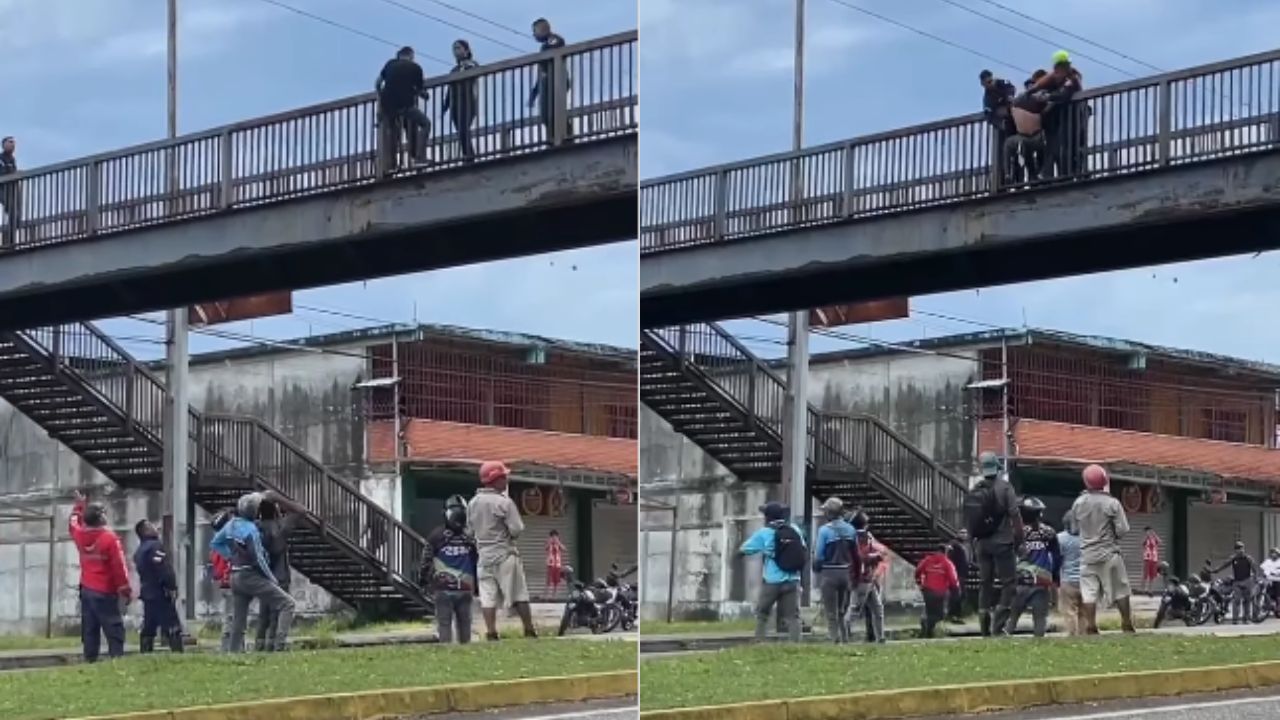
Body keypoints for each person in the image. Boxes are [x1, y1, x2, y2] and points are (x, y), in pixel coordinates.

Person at [210, 492, 295, 653]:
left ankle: (233, 653)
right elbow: (259, 559)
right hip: (249, 575)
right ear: (254, 511)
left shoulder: (231, 525)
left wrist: (231, 556)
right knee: (288, 604)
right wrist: (271, 578)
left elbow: (215, 543)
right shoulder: (251, 530)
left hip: (234, 575)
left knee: (238, 620)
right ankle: (279, 646)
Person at [469, 461, 538, 640]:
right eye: (504, 477)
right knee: (519, 594)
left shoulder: (473, 503)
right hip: (505, 555)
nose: (507, 480)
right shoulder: (504, 503)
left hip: (483, 557)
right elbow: (517, 529)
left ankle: (491, 632)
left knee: (487, 596)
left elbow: (469, 531)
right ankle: (529, 630)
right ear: (495, 479)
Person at [1071, 464, 1136, 634]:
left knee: (1089, 592)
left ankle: (1091, 626)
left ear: (1086, 482)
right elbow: (1123, 530)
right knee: (1121, 590)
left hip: (1087, 556)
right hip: (1109, 554)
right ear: (1104, 481)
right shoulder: (1112, 503)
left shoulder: (1078, 503)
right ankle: (1126, 623)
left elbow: (1074, 528)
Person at [965, 451, 1023, 636]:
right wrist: (1019, 540)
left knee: (985, 584)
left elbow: (971, 521)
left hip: (981, 544)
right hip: (1003, 543)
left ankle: (984, 628)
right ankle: (998, 627)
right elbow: (1015, 516)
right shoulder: (1005, 488)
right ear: (997, 468)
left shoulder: (975, 489)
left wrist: (971, 542)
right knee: (1009, 584)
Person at [69, 490, 132, 662]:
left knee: (90, 627)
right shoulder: (109, 539)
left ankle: (90, 658)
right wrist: (125, 590)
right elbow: (119, 567)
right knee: (113, 626)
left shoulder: (80, 536)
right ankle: (116, 658)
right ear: (101, 518)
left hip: (86, 589)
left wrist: (78, 506)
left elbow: (73, 523)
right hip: (105, 591)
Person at [740, 501, 806, 642]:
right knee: (793, 616)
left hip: (772, 581)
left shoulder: (764, 533)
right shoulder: (794, 529)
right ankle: (796, 644)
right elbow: (803, 549)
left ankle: (759, 641)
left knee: (762, 613)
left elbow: (745, 549)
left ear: (768, 517)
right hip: (793, 580)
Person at [419, 494, 478, 644]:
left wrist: (423, 581)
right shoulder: (470, 537)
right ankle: (466, 654)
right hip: (466, 588)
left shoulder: (436, 536)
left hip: (442, 588)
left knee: (444, 625)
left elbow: (425, 561)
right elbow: (477, 561)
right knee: (465, 625)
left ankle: (446, 653)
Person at [254, 491, 306, 652]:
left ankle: (260, 647)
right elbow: (301, 510)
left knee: (264, 616)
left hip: (263, 576)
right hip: (280, 576)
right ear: (276, 509)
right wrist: (277, 497)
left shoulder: (255, 528)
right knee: (279, 613)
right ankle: (276, 646)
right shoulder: (281, 527)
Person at [1030, 50, 1087, 179]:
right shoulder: (1057, 78)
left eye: (1060, 67)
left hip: (1075, 118)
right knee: (1062, 148)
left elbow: (1064, 95)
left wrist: (1047, 97)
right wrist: (1030, 93)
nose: (1057, 71)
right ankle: (1064, 175)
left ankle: (1073, 175)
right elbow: (1043, 83)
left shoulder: (1072, 79)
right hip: (1065, 120)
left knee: (1072, 147)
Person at [1007, 497, 1059, 637]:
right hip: (1041, 581)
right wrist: (1055, 576)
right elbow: (1056, 556)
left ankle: (1003, 639)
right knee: (1040, 619)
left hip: (1019, 580)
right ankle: (1039, 644)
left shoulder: (1014, 533)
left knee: (1012, 617)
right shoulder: (1049, 532)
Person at [133, 519, 184, 654]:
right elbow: (164, 569)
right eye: (151, 526)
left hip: (147, 592)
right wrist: (172, 586)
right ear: (145, 531)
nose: (155, 528)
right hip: (160, 591)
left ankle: (145, 651)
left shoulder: (139, 550)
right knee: (172, 624)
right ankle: (177, 652)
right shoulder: (155, 546)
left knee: (149, 624)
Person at [376, 46, 432, 168]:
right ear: (411, 56)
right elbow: (420, 90)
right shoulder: (415, 68)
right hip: (405, 105)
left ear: (399, 55)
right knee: (425, 124)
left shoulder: (390, 64)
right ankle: (419, 157)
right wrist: (425, 95)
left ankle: (391, 165)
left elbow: (378, 83)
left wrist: (381, 97)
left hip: (387, 105)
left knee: (392, 132)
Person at [813, 497, 857, 643]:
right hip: (846, 572)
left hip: (829, 573)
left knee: (831, 611)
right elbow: (856, 555)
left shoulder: (824, 531)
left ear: (829, 513)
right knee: (842, 610)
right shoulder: (851, 529)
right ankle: (845, 638)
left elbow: (819, 555)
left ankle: (834, 639)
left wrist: (816, 568)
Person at [846, 510, 888, 643]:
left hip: (869, 577)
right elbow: (861, 557)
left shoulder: (866, 537)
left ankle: (881, 637)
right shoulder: (857, 538)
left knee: (877, 609)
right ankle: (843, 635)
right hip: (862, 578)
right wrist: (874, 557)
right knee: (855, 610)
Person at [529, 18, 571, 143]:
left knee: (555, 113)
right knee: (547, 116)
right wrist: (534, 93)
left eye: (535, 31)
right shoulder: (545, 44)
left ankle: (564, 138)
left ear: (542, 29)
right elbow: (542, 73)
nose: (534, 35)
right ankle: (553, 139)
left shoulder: (554, 39)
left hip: (556, 82)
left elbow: (555, 49)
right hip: (546, 85)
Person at [443, 39, 480, 162]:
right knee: (460, 130)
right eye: (454, 49)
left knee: (464, 128)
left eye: (458, 48)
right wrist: (446, 105)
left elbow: (474, 75)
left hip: (468, 101)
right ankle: (467, 154)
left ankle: (470, 156)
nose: (456, 51)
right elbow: (450, 89)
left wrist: (465, 68)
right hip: (455, 104)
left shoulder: (472, 65)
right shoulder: (454, 70)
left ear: (466, 50)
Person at [1007, 542, 1055, 638]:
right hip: (1039, 589)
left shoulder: (1014, 568)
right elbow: (1049, 579)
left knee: (1012, 617)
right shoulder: (1039, 569)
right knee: (1039, 618)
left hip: (1018, 591)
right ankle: (1038, 637)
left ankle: (1007, 633)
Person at [915, 543, 960, 639]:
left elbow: (918, 571)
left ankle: (926, 627)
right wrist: (956, 589)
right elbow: (953, 579)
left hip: (927, 591)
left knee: (929, 610)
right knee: (940, 613)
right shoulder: (947, 563)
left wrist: (919, 583)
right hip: (941, 592)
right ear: (945, 552)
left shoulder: (927, 560)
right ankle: (930, 631)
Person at [980, 70, 1017, 183]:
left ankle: (1019, 179)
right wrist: (999, 124)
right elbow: (989, 116)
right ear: (983, 84)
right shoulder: (987, 99)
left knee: (1018, 150)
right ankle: (1003, 180)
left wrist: (1009, 97)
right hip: (1002, 127)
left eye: (991, 81)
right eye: (987, 83)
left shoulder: (1002, 83)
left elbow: (1011, 89)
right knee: (1003, 153)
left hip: (1014, 122)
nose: (990, 84)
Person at [208, 509, 235, 652]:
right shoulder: (224, 543)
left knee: (231, 616)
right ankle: (228, 647)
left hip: (224, 583)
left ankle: (230, 645)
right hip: (230, 582)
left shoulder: (216, 543)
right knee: (232, 617)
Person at [1213, 540, 1258, 624]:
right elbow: (1225, 564)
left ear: (1244, 549)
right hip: (1237, 581)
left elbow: (1254, 568)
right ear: (1235, 550)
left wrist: (1255, 578)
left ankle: (1246, 619)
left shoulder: (1248, 558)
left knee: (1247, 601)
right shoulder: (1233, 558)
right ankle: (1235, 619)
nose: (1240, 550)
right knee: (1236, 600)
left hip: (1247, 580)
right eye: (1238, 548)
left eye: (1241, 548)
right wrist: (1217, 570)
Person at [1056, 510, 1084, 636]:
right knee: (1084, 612)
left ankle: (1072, 634)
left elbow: (1057, 559)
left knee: (1068, 611)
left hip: (1067, 580)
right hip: (1086, 580)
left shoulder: (1060, 538)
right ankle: (1084, 634)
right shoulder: (1088, 538)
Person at [946, 529, 971, 623]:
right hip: (956, 573)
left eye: (965, 533)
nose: (964, 534)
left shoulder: (966, 545)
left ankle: (955, 614)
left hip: (963, 573)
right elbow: (948, 555)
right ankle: (953, 615)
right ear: (957, 534)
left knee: (961, 595)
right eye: (962, 532)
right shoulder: (953, 544)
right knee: (957, 594)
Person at [0, 136, 18, 249]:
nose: (13, 145)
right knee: (11, 210)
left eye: (14, 143)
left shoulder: (12, 159)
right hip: (1, 188)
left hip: (10, 189)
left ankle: (11, 241)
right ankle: (8, 242)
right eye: (10, 142)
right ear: (4, 144)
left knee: (14, 213)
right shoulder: (1, 158)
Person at [544, 529, 567, 598]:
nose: (554, 538)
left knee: (556, 582)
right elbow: (545, 548)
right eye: (553, 536)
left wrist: (558, 543)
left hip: (557, 564)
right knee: (548, 581)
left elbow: (564, 549)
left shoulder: (558, 544)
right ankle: (546, 595)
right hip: (550, 564)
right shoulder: (549, 543)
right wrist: (550, 542)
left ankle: (554, 596)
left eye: (555, 536)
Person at [1142, 527, 1163, 595]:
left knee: (1152, 575)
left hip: (1154, 559)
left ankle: (1150, 590)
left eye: (1150, 531)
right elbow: (1142, 543)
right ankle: (1143, 589)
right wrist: (1146, 536)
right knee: (1145, 575)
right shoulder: (1146, 539)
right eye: (1148, 531)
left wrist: (1155, 535)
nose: (1149, 533)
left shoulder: (1154, 539)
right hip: (1147, 558)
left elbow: (1160, 542)